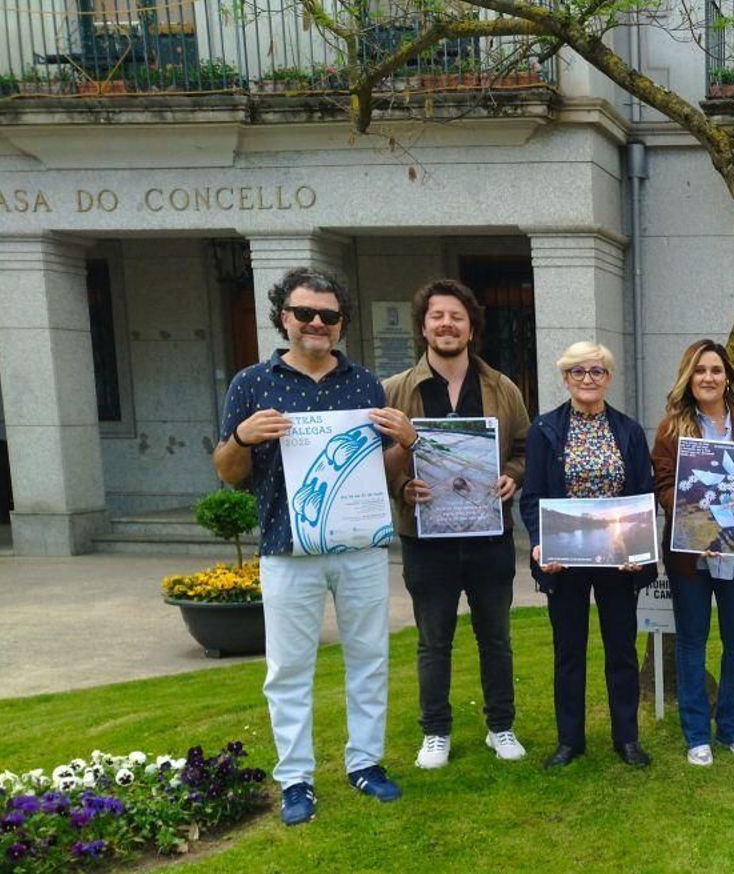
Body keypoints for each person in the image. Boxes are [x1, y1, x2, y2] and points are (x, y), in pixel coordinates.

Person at [214, 266, 410, 825]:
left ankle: (365, 763)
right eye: (305, 313)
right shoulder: (251, 384)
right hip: (287, 549)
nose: (317, 323)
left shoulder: (365, 384)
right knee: (289, 669)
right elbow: (228, 472)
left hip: (359, 547)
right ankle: (296, 778)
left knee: (369, 658)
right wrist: (241, 438)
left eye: (328, 315)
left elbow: (381, 469)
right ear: (285, 317)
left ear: (341, 323)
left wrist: (405, 442)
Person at [382, 279, 531, 770]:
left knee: (496, 636)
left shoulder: (502, 388)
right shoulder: (397, 391)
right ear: (424, 326)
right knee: (433, 639)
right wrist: (404, 487)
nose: (447, 324)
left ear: (471, 327)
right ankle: (436, 732)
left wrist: (512, 476)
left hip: (489, 534)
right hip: (426, 539)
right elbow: (375, 463)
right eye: (437, 316)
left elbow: (524, 448)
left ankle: (500, 727)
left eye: (457, 317)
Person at [520, 341, 658, 769]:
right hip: (565, 558)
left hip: (618, 559)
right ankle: (570, 740)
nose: (587, 380)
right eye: (578, 372)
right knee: (568, 651)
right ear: (565, 378)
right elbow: (532, 497)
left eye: (596, 372)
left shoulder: (629, 431)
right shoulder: (544, 429)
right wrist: (541, 541)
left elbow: (643, 495)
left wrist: (641, 548)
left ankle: (627, 738)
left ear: (608, 378)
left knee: (621, 650)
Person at [650, 339, 734, 766]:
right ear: (688, 378)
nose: (707, 377)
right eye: (699, 370)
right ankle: (697, 735)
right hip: (691, 556)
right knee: (691, 643)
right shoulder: (672, 428)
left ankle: (732, 728)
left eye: (715, 369)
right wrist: (698, 508)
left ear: (727, 376)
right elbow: (662, 485)